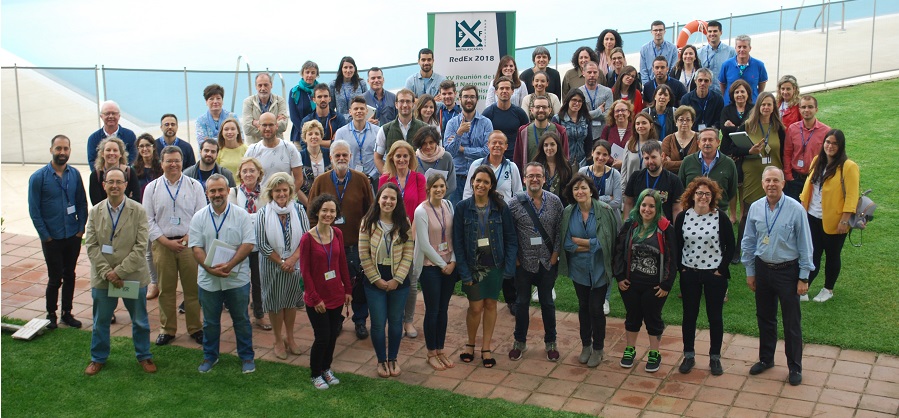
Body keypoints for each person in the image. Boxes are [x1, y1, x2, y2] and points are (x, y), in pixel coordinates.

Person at [742, 167, 813, 386]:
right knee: (765, 317)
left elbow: (805, 244)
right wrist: (750, 272)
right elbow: (748, 241)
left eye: (775, 180)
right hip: (763, 269)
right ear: (762, 183)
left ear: (783, 183)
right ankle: (766, 359)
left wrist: (803, 277)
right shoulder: (755, 208)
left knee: (791, 322)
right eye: (767, 181)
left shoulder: (795, 209)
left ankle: (794, 367)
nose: (771, 184)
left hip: (788, 272)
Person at [83, 168, 155, 376]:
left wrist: (120, 273)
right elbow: (91, 246)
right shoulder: (95, 211)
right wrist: (108, 273)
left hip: (132, 277)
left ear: (126, 185)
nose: (115, 185)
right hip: (103, 278)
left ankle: (144, 355)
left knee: (140, 321)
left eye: (119, 182)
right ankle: (98, 358)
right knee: (100, 322)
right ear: (104, 185)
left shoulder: (139, 210)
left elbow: (141, 247)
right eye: (110, 181)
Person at [307, 140, 375, 340]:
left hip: (355, 244)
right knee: (333, 284)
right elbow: (311, 212)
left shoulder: (362, 180)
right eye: (337, 156)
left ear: (351, 157)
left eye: (345, 155)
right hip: (328, 246)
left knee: (359, 285)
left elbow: (370, 212)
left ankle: (360, 320)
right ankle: (335, 321)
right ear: (330, 158)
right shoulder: (321, 181)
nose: (341, 159)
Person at [188, 174, 256, 374]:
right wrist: (209, 268)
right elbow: (196, 247)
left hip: (237, 278)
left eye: (220, 190)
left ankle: (246, 357)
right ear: (206, 193)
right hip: (208, 280)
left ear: (228, 191)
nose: (217, 194)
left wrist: (230, 264)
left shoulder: (241, 215)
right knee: (210, 322)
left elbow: (248, 243)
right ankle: (210, 356)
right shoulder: (199, 216)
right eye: (212, 191)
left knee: (241, 319)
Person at [453, 166, 518, 369]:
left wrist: (508, 268)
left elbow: (511, 238)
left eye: (485, 182)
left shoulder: (501, 207)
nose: (481, 185)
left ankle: (486, 347)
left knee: (491, 305)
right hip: (472, 266)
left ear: (491, 186)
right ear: (472, 182)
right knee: (475, 307)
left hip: (495, 265)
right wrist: (463, 272)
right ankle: (470, 344)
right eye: (478, 181)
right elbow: (458, 243)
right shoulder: (462, 208)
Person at [142, 145, 206, 345]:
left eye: (176, 160)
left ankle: (195, 328)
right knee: (166, 289)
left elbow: (201, 215)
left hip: (189, 244)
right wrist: (165, 242)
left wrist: (187, 238)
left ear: (182, 162)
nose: (173, 164)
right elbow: (147, 220)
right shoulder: (151, 188)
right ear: (161, 164)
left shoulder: (194, 186)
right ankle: (167, 329)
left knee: (192, 290)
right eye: (169, 161)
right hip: (162, 245)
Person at [674, 177, 735, 376]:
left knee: (715, 317)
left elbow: (731, 246)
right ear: (692, 195)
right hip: (689, 273)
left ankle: (715, 357)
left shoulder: (720, 217)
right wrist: (681, 268)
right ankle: (689, 355)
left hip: (714, 275)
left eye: (707, 194)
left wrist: (721, 269)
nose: (703, 197)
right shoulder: (683, 217)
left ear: (713, 197)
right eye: (699, 193)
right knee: (689, 316)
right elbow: (676, 245)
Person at [559, 173, 620, 367]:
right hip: (579, 270)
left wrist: (584, 243)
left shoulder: (605, 210)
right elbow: (567, 243)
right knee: (583, 307)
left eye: (584, 188)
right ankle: (586, 345)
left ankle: (599, 348)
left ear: (591, 190)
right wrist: (593, 244)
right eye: (576, 188)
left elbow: (610, 241)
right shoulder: (569, 212)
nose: (580, 191)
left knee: (596, 308)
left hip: (600, 269)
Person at [614, 189, 677, 372]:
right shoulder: (630, 225)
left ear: (658, 207)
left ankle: (654, 353)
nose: (647, 209)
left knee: (653, 319)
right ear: (638, 205)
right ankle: (630, 349)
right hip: (630, 283)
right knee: (632, 317)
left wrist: (667, 284)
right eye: (643, 205)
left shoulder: (666, 228)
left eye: (651, 206)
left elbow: (672, 258)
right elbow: (618, 251)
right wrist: (619, 276)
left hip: (655, 286)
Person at [29, 135, 88, 329]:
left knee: (70, 274)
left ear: (70, 151)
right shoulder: (38, 177)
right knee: (55, 277)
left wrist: (80, 229)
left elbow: (81, 202)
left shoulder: (74, 174)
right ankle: (51, 314)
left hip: (72, 235)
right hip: (52, 237)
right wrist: (45, 236)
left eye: (65, 149)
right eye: (58, 148)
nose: (62, 152)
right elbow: (34, 210)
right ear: (51, 150)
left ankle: (67, 313)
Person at [507, 162, 564, 362]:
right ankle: (519, 342)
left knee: (548, 303)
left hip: (547, 262)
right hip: (524, 263)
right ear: (524, 179)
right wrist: (514, 258)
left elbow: (560, 230)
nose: (534, 179)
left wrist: (555, 254)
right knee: (521, 303)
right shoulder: (514, 204)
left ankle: (551, 342)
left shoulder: (555, 202)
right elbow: (509, 234)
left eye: (538, 176)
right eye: (530, 175)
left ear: (544, 179)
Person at [359, 183, 415, 378]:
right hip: (374, 281)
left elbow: (409, 253)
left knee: (396, 322)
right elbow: (363, 254)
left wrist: (397, 279)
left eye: (393, 198)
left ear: (397, 201)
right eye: (385, 197)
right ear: (378, 199)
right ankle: (381, 360)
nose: (388, 202)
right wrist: (376, 279)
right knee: (377, 322)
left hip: (398, 281)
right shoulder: (368, 222)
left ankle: (393, 359)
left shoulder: (404, 222)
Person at [255, 172, 311, 359]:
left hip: (294, 264)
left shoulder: (299, 210)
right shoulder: (263, 213)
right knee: (276, 304)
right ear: (271, 193)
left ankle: (290, 337)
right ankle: (278, 339)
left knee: (291, 302)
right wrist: (281, 262)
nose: (281, 194)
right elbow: (262, 244)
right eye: (277, 191)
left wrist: (293, 259)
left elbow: (305, 238)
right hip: (272, 265)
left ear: (290, 191)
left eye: (284, 190)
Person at [300, 194, 353, 389]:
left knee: (332, 335)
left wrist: (348, 289)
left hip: (336, 296)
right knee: (322, 337)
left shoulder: (337, 234)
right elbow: (305, 273)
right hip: (318, 299)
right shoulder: (307, 239)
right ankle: (315, 373)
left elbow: (342, 265)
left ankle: (326, 369)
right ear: (317, 211)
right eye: (324, 210)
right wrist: (315, 298)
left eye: (332, 211)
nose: (328, 214)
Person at [800, 130, 858, 303]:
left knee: (832, 255)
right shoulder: (817, 161)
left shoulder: (849, 167)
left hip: (835, 220)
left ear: (840, 146)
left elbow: (852, 196)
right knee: (813, 253)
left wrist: (844, 220)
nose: (830, 146)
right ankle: (805, 286)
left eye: (834, 143)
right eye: (827, 142)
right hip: (812, 216)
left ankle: (828, 289)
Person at [378, 140, 427, 338]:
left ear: (411, 158)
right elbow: (381, 208)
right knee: (390, 278)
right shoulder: (384, 180)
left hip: (413, 235)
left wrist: (410, 236)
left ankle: (408, 321)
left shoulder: (419, 179)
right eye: (398, 156)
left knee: (411, 281)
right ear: (391, 158)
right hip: (389, 236)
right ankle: (392, 319)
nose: (401, 159)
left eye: (405, 156)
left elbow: (421, 209)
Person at [413, 174, 458, 371]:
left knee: (443, 309)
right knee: (432, 310)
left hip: (449, 264)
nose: (439, 190)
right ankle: (431, 352)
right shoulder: (421, 211)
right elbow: (423, 244)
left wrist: (454, 260)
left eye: (442, 186)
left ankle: (440, 349)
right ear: (428, 189)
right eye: (435, 187)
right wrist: (443, 264)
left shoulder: (448, 205)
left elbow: (454, 235)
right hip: (431, 267)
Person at [735, 92, 785, 264]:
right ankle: (738, 249)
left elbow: (784, 152)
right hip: (753, 175)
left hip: (773, 177)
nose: (766, 107)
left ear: (773, 107)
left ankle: (770, 246)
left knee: (773, 212)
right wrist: (749, 152)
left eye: (769, 104)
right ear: (758, 107)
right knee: (748, 212)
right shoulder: (748, 126)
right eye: (763, 104)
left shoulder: (779, 128)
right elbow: (734, 149)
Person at [229, 157, 270, 331]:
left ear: (259, 173)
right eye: (244, 171)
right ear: (239, 174)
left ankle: (259, 315)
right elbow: (233, 218)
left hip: (260, 244)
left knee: (259, 282)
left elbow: (268, 217)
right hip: (241, 245)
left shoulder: (267, 193)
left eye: (252, 170)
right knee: (240, 281)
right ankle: (241, 316)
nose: (248, 174)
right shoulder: (233, 192)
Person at [445, 85, 495, 204]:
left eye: (472, 97)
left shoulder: (486, 123)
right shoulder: (452, 124)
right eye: (466, 96)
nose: (469, 100)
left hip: (479, 178)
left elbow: (487, 151)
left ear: (477, 99)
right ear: (460, 99)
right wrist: (459, 134)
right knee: (455, 215)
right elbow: (449, 152)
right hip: (457, 178)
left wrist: (462, 149)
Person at [244, 112, 307, 206]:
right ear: (259, 127)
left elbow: (299, 179)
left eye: (271, 125)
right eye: (264, 125)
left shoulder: (289, 148)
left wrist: (287, 197)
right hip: (261, 204)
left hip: (285, 204)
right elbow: (245, 178)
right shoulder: (252, 150)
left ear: (277, 126)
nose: (267, 128)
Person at [678, 128, 739, 214]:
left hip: (719, 211)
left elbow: (732, 190)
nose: (707, 143)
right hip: (692, 210)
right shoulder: (687, 161)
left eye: (711, 140)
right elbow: (681, 187)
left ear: (718, 142)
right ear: (698, 143)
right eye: (704, 140)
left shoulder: (728, 163)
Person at [132, 134, 163, 300]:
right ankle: (154, 282)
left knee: (162, 251)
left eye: (148, 145)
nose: (145, 149)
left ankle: (165, 280)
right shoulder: (134, 170)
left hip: (161, 215)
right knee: (148, 252)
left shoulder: (161, 167)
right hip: (142, 216)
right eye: (141, 146)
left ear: (153, 147)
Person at [784, 95, 830, 201]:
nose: (806, 110)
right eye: (803, 107)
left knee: (810, 211)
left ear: (816, 109)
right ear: (799, 109)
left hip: (814, 177)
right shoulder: (793, 129)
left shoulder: (825, 131)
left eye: (810, 107)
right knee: (793, 211)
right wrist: (788, 175)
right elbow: (787, 153)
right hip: (795, 178)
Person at [623, 141, 684, 221]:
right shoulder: (636, 177)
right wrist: (627, 225)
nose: (650, 162)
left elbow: (677, 208)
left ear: (662, 156)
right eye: (647, 158)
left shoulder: (673, 180)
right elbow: (628, 203)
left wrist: (675, 231)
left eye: (653, 157)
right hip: (639, 226)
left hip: (663, 228)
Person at [334, 96, 382, 192]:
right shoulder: (341, 132)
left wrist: (371, 177)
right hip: (349, 179)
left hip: (374, 179)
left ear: (367, 111)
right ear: (350, 112)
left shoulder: (378, 131)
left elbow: (383, 157)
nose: (359, 111)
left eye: (362, 108)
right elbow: (337, 157)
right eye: (355, 109)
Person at [375, 89, 427, 174]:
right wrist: (388, 177)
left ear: (413, 104)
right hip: (394, 183)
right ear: (396, 104)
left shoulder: (424, 128)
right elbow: (377, 158)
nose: (405, 105)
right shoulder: (385, 130)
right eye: (401, 101)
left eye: (408, 101)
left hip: (417, 180)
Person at [463, 131, 524, 204]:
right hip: (480, 212)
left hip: (504, 213)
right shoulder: (477, 165)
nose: (497, 145)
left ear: (506, 147)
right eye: (494, 142)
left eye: (501, 143)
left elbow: (518, 194)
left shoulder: (511, 167)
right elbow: (468, 192)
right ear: (488, 145)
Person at [514, 96, 570, 173]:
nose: (541, 110)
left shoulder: (560, 131)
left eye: (544, 107)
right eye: (537, 107)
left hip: (553, 180)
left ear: (550, 110)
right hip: (531, 180)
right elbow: (518, 159)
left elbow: (565, 158)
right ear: (532, 110)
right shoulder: (523, 131)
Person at [482, 76, 530, 161]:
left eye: (507, 88)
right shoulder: (488, 113)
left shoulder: (520, 113)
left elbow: (526, 138)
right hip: (493, 159)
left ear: (512, 91)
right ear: (496, 92)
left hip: (514, 159)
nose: (504, 91)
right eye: (501, 88)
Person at [719, 35, 768, 106]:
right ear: (735, 48)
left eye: (744, 47)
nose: (741, 50)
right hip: (730, 105)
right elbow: (722, 84)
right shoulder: (726, 65)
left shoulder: (759, 65)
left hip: (752, 105)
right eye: (739, 47)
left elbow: (761, 85)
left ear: (750, 48)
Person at [88, 101, 137, 170]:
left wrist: (120, 174)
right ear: (101, 116)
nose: (111, 116)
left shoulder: (130, 135)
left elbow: (133, 159)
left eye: (114, 113)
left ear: (119, 116)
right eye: (107, 113)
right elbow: (92, 162)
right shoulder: (93, 138)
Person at [89, 137, 140, 205]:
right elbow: (97, 203)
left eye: (115, 150)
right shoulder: (95, 176)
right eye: (108, 150)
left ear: (121, 154)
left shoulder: (129, 173)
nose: (112, 153)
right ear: (102, 154)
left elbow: (136, 199)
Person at [242, 72, 289, 144]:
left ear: (271, 85)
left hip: (276, 146)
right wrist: (273, 124)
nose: (263, 88)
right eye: (260, 85)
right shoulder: (248, 102)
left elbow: (283, 126)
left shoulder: (280, 101)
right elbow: (247, 129)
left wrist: (257, 123)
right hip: (255, 147)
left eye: (266, 85)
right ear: (256, 86)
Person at [579, 140, 623, 213]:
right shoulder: (583, 172)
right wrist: (607, 198)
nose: (600, 157)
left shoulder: (615, 174)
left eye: (605, 155)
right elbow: (580, 198)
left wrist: (590, 201)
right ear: (592, 153)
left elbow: (617, 203)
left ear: (609, 157)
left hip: (608, 218)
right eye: (598, 153)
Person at [413, 126, 457, 199]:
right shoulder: (415, 159)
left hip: (442, 201)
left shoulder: (446, 157)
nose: (428, 146)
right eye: (424, 143)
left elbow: (452, 184)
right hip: (421, 202)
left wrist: (436, 197)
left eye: (431, 142)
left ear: (436, 142)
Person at [620, 113, 660, 192]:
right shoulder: (629, 144)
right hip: (632, 189)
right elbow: (624, 169)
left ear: (651, 125)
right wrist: (623, 190)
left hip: (651, 190)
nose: (640, 126)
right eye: (637, 124)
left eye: (644, 123)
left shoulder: (658, 145)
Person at [299, 84, 347, 150]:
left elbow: (342, 143)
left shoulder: (339, 118)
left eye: (325, 96)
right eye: (319, 97)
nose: (323, 99)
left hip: (334, 157)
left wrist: (315, 141)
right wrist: (330, 143)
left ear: (330, 98)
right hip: (314, 158)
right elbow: (304, 144)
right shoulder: (307, 120)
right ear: (314, 99)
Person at [553, 90, 592, 168]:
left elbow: (589, 140)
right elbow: (555, 141)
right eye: (574, 100)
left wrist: (589, 159)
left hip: (582, 162)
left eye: (580, 101)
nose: (577, 103)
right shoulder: (558, 119)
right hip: (564, 162)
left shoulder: (585, 119)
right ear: (568, 101)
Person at [534, 132, 573, 206]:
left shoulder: (566, 165)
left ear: (557, 146)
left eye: (552, 144)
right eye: (546, 145)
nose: (549, 148)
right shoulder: (536, 165)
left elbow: (569, 191)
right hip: (539, 207)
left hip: (561, 207)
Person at [697, 20, 736, 95]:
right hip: (706, 94)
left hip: (724, 93)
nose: (712, 34)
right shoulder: (700, 53)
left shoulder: (731, 52)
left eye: (715, 31)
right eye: (710, 31)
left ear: (721, 32)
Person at [660, 106, 700, 174]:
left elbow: (699, 163)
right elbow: (664, 164)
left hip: (694, 178)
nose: (684, 123)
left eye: (688, 120)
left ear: (692, 122)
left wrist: (672, 163)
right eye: (681, 120)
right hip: (672, 179)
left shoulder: (699, 138)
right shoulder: (668, 140)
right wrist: (690, 162)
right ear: (676, 122)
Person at [288, 61, 321, 141]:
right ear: (302, 74)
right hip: (299, 134)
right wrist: (306, 133)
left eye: (313, 73)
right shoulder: (295, 91)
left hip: (319, 134)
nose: (310, 75)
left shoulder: (321, 90)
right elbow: (293, 116)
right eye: (307, 72)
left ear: (316, 75)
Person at [580, 62, 614, 138]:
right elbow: (580, 116)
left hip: (603, 134)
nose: (592, 75)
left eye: (595, 72)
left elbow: (608, 116)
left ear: (598, 73)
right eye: (589, 72)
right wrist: (598, 111)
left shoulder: (607, 92)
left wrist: (588, 114)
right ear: (583, 73)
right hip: (584, 134)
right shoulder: (579, 93)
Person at [299, 120, 332, 196]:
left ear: (321, 137)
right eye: (310, 134)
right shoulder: (299, 157)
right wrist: (309, 205)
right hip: (306, 201)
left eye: (317, 134)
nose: (314, 136)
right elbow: (297, 185)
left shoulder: (330, 154)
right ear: (304, 138)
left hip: (328, 199)